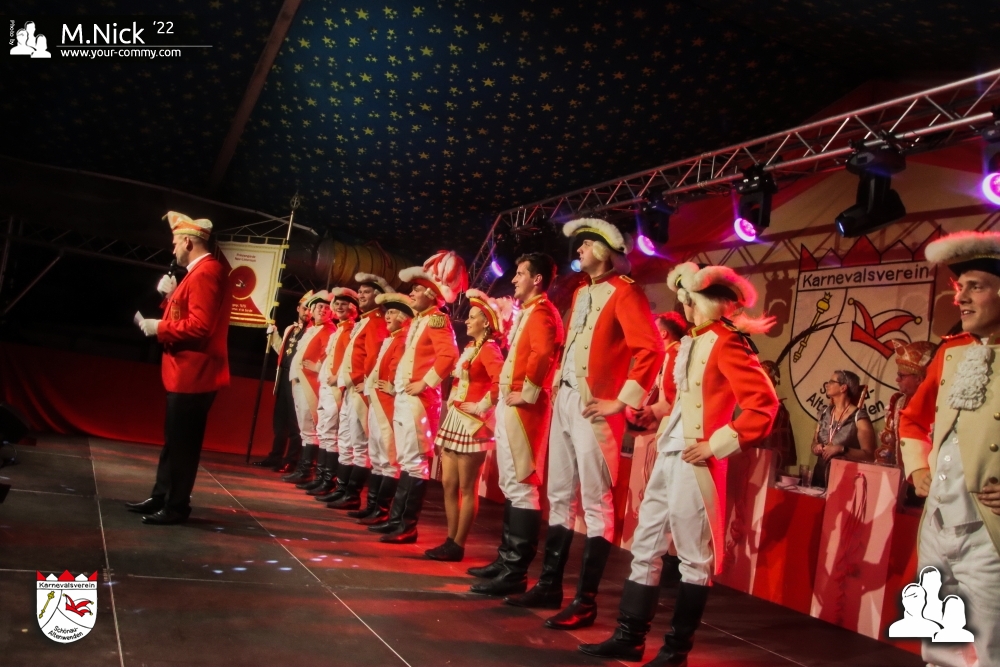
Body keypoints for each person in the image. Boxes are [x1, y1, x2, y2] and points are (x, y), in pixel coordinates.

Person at [578, 261, 778, 666]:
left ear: (708, 301)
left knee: (693, 559)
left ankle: (675, 652)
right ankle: (630, 637)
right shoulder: (693, 341)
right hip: (669, 454)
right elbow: (682, 400)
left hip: (695, 461)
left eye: (689, 297)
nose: (684, 305)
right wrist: (654, 413)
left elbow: (763, 407)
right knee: (645, 547)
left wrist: (716, 445)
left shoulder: (728, 342)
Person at [506, 219, 664, 631]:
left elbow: (650, 349)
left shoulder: (626, 291)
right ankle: (549, 585)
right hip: (565, 399)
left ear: (605, 249)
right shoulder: (580, 291)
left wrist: (621, 401)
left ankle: (586, 601)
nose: (578, 250)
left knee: (596, 503)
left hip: (595, 407)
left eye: (586, 244)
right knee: (558, 495)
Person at [899, 230, 1000, 667]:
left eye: (975, 287)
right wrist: (917, 467)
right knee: (939, 648)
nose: (961, 298)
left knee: (992, 653)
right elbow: (912, 419)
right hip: (938, 525)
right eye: (961, 288)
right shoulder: (952, 352)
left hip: (989, 535)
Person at [469, 252, 564, 595]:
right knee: (511, 483)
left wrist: (528, 392)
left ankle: (515, 570)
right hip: (515, 404)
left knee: (522, 483)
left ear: (537, 279)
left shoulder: (543, 313)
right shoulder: (532, 311)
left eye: (521, 273)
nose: (513, 279)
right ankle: (506, 559)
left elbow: (543, 353)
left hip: (526, 409)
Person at [127, 211, 231, 525]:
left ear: (187, 241)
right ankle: (161, 496)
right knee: (174, 442)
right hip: (187, 372)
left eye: (175, 242)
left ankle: (176, 506)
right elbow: (189, 314)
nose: (173, 248)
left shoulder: (206, 272)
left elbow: (200, 326)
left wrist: (159, 327)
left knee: (183, 445)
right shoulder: (199, 272)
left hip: (194, 373)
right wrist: (170, 297)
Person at [369, 251, 463, 544]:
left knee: (414, 462)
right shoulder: (421, 320)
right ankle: (396, 520)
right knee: (406, 459)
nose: (411, 294)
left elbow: (449, 356)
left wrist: (425, 383)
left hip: (418, 401)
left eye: (416, 289)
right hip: (405, 396)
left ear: (431, 294)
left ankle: (406, 526)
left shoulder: (436, 320)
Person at [426, 289, 511, 562]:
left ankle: (458, 543)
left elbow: (501, 381)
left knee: (467, 487)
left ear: (486, 323)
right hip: (455, 418)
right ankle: (450, 539)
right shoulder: (470, 348)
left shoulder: (489, 349)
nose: (467, 321)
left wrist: (481, 406)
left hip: (473, 424)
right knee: (448, 483)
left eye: (473, 317)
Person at [325, 273, 392, 510]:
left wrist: (364, 380)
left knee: (359, 444)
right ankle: (343, 489)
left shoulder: (376, 321)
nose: (361, 295)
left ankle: (352, 494)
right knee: (347, 440)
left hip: (361, 389)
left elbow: (373, 357)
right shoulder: (366, 320)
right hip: (351, 387)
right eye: (360, 292)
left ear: (377, 295)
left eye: (366, 292)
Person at [353, 293, 415, 525]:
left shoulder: (402, 340)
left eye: (392, 312)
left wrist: (392, 388)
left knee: (389, 458)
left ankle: (381, 510)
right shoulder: (391, 339)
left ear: (404, 317)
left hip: (387, 404)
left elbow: (398, 369)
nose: (387, 316)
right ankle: (372, 506)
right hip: (377, 402)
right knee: (378, 456)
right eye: (387, 312)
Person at [251, 291, 313, 470]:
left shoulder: (311, 332)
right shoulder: (290, 329)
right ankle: (275, 456)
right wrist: (274, 335)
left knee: (294, 422)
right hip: (283, 377)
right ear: (298, 308)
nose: (307, 312)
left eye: (310, 309)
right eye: (304, 308)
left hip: (297, 380)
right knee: (280, 422)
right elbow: (282, 352)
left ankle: (291, 460)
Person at [281, 291, 337, 485]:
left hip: (311, 383)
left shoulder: (329, 330)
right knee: (304, 428)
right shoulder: (312, 329)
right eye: (319, 307)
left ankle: (307, 470)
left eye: (327, 307)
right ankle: (303, 469)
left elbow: (330, 357)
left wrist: (318, 367)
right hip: (299, 381)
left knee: (310, 428)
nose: (323, 310)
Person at [309, 289, 359, 498]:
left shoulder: (350, 330)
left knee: (331, 433)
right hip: (326, 386)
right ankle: (321, 477)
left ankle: (328, 480)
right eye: (336, 303)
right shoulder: (340, 329)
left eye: (343, 304)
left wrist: (338, 377)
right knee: (324, 432)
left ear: (353, 308)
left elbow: (350, 360)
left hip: (336, 387)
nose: (339, 307)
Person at [877, 339, 937, 470]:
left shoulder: (938, 405)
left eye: (902, 376)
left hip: (928, 475)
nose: (897, 379)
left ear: (919, 379)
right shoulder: (898, 402)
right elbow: (889, 445)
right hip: (900, 475)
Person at [809, 369, 875, 488]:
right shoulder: (823, 413)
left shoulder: (859, 417)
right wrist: (816, 447)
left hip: (844, 482)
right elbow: (814, 441)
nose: (827, 385)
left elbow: (869, 455)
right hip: (819, 479)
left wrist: (841, 449)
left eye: (831, 382)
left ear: (843, 388)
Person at [630, 312, 688, 432]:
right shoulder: (670, 354)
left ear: (663, 334)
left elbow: (673, 396)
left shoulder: (675, 354)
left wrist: (653, 411)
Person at [759, 360, 797, 471]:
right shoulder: (758, 403)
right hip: (755, 459)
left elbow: (780, 448)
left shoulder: (778, 409)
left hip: (768, 462)